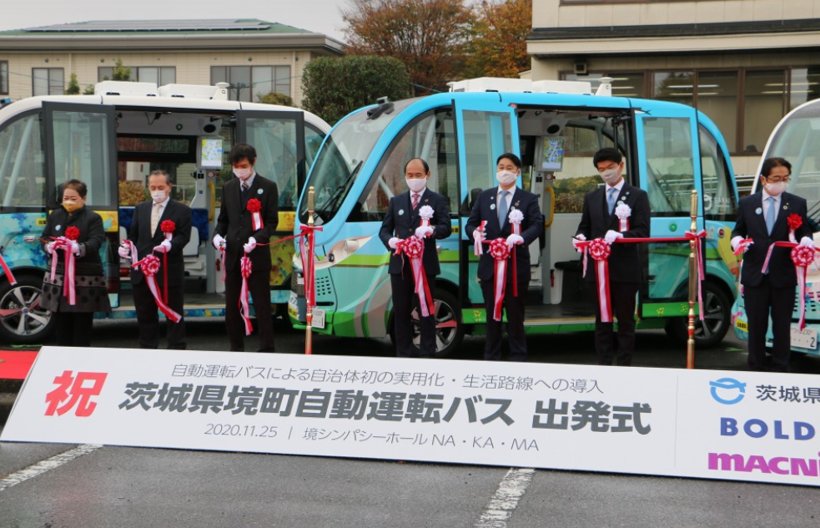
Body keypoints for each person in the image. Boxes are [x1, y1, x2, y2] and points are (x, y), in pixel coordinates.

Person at [731, 157, 813, 372]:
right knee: (756, 326)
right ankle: (755, 368)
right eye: (776, 178)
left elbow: (805, 230)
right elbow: (738, 230)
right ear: (764, 179)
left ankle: (781, 368)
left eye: (785, 178)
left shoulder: (796, 203)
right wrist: (737, 242)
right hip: (755, 275)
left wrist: (806, 240)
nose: (781, 182)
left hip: (783, 275)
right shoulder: (747, 203)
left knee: (782, 326)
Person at [573, 147, 650, 366]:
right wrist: (579, 237)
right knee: (602, 320)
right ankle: (603, 363)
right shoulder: (592, 197)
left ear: (621, 166)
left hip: (625, 269)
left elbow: (643, 232)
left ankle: (624, 364)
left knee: (625, 321)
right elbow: (584, 227)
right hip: (597, 269)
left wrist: (621, 235)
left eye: (610, 168)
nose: (606, 173)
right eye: (601, 169)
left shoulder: (637, 196)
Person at [465, 153, 544, 361]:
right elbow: (471, 223)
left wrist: (521, 237)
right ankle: (491, 358)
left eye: (509, 168)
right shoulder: (484, 196)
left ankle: (518, 357)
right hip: (490, 269)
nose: (504, 171)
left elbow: (537, 225)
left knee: (516, 317)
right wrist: (474, 233)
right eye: (501, 167)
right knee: (492, 316)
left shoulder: (528, 199)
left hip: (516, 269)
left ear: (517, 172)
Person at [378, 158, 452, 357]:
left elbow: (446, 227)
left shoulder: (437, 200)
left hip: (425, 265)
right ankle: (403, 353)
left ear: (427, 175)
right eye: (410, 175)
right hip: (400, 265)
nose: (414, 179)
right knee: (401, 311)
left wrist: (431, 230)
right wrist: (390, 242)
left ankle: (427, 353)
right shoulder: (397, 201)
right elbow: (384, 230)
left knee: (426, 309)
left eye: (418, 175)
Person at [212, 144, 278, 352]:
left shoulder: (267, 187)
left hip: (256, 255)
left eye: (243, 166)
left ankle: (266, 349)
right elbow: (224, 220)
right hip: (233, 255)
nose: (239, 170)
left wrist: (256, 239)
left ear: (253, 162)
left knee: (262, 305)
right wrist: (217, 237)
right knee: (232, 307)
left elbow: (271, 222)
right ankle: (236, 349)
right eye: (235, 166)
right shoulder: (229, 187)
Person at [119, 170, 192, 349]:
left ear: (169, 187)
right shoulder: (140, 208)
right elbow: (134, 235)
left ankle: (176, 351)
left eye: (160, 187)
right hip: (142, 272)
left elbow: (184, 236)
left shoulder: (182, 210)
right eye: (152, 187)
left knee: (173, 313)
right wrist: (127, 248)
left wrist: (171, 245)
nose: (156, 190)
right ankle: (147, 351)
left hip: (168, 271)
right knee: (145, 314)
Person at [40, 179, 111, 346]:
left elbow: (97, 241)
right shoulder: (55, 215)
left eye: (73, 198)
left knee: (82, 324)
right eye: (66, 197)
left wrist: (78, 248)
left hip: (83, 278)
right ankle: (63, 360)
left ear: (83, 198)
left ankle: (80, 360)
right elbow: (44, 237)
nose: (68, 201)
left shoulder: (93, 218)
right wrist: (48, 246)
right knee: (61, 324)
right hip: (58, 276)